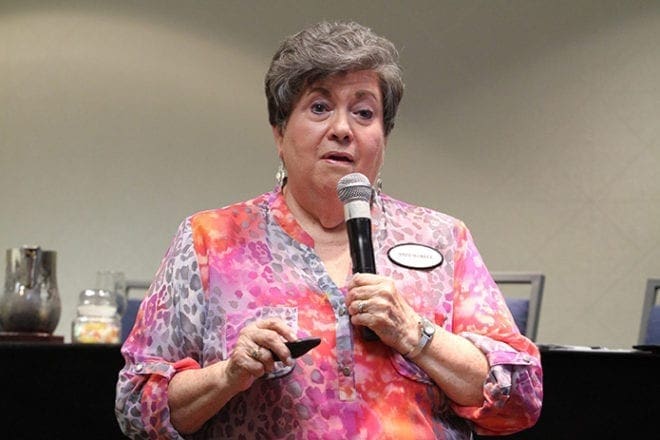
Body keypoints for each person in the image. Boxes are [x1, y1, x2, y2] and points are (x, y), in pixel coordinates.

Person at [115, 20, 543, 439]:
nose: (342, 129)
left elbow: (521, 399)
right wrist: (229, 375)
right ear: (279, 132)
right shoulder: (211, 239)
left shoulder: (444, 239)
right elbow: (135, 407)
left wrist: (414, 333)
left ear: (384, 137)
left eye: (363, 112)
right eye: (319, 107)